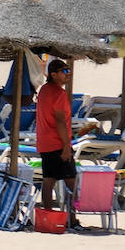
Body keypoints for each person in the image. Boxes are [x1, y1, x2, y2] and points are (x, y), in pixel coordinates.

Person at [36, 59, 79, 228]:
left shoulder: (43, 90)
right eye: (65, 71)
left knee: (48, 181)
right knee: (71, 182)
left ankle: (47, 216)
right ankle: (72, 220)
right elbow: (60, 121)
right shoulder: (59, 94)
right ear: (54, 75)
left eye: (69, 70)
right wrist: (66, 147)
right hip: (58, 144)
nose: (69, 74)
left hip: (44, 143)